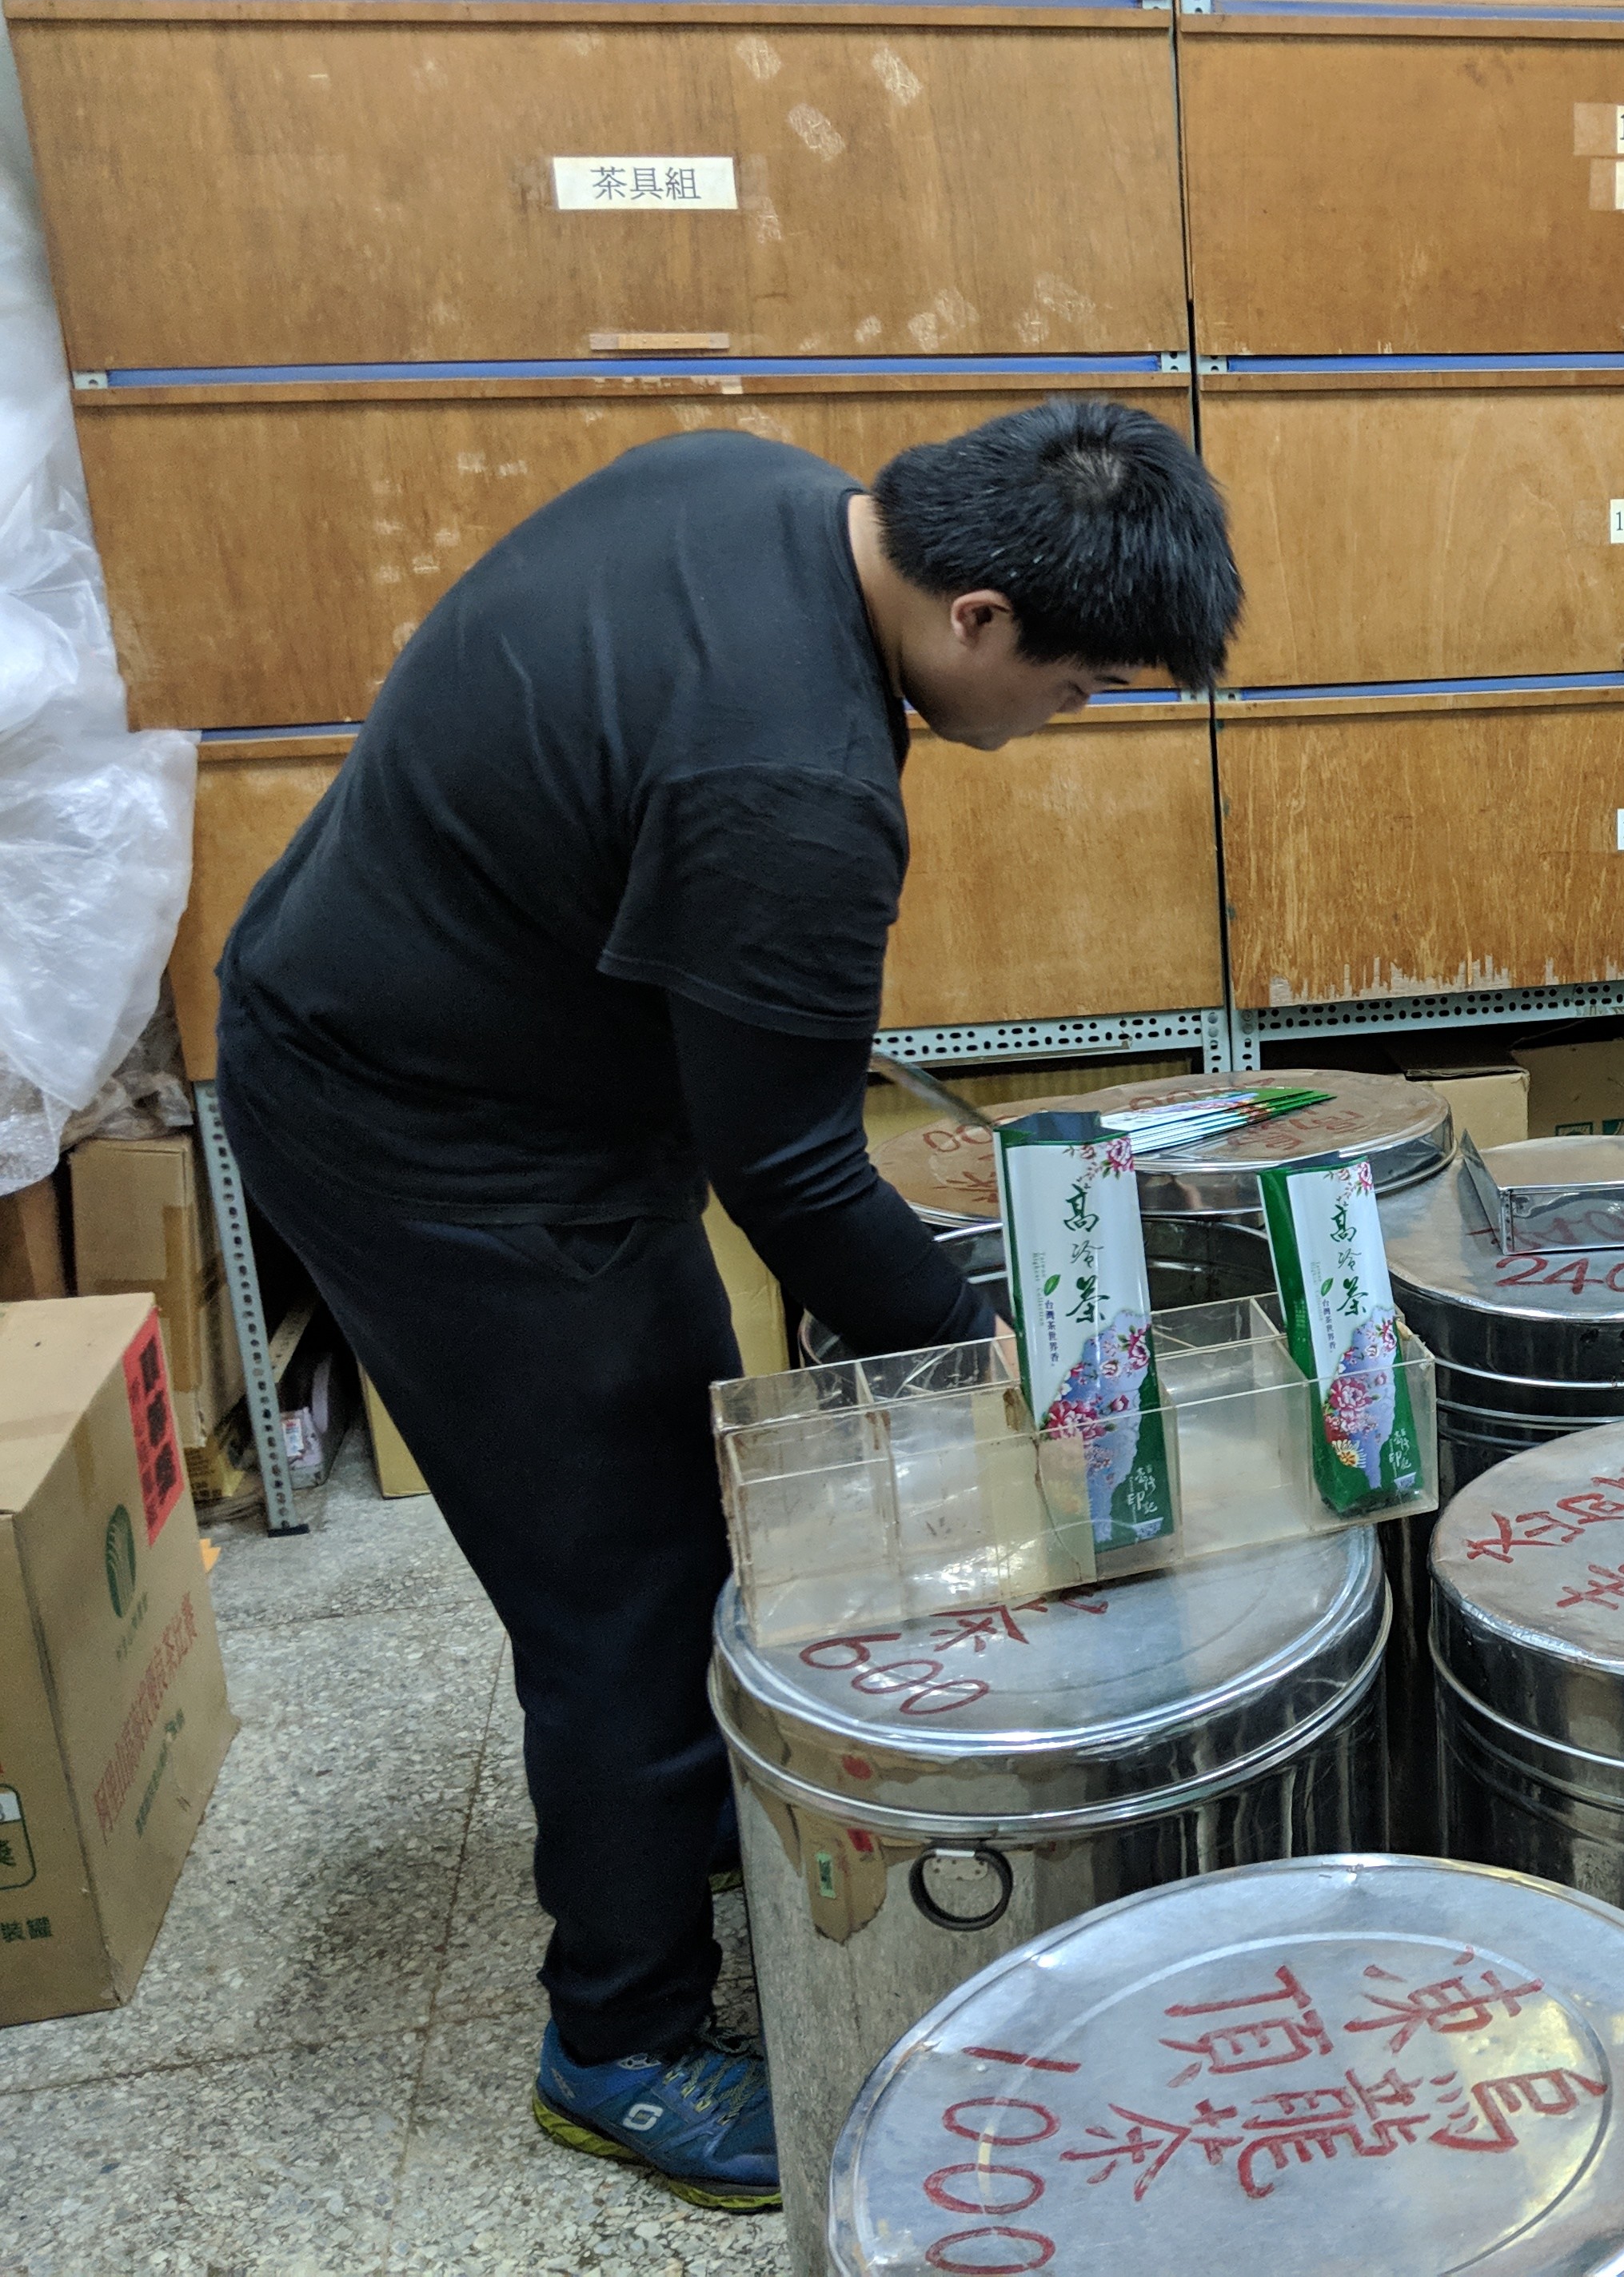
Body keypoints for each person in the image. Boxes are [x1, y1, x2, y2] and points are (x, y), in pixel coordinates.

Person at [213, 402, 1241, 2212]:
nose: (1063, 729)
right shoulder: (794, 784)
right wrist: (1003, 1375)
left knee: (695, 1486)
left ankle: (679, 1824)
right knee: (621, 1585)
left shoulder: (753, 481)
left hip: (478, 1031)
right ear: (980, 616)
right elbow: (793, 1174)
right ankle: (617, 2048)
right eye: (1079, 690)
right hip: (430, 1134)